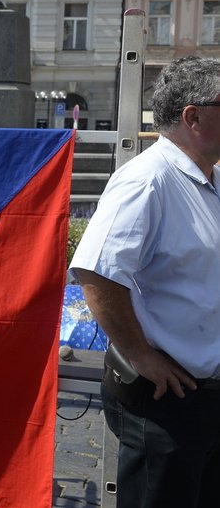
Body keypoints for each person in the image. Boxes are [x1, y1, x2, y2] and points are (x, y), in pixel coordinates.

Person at [70, 55, 220, 507]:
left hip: (204, 396)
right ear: (193, 116)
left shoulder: (210, 179)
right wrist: (140, 354)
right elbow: (95, 270)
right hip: (166, 399)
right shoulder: (147, 180)